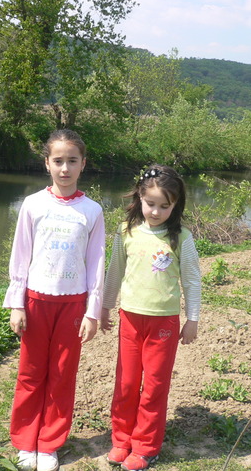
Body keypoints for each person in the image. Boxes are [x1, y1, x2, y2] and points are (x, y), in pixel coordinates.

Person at [3, 129, 106, 471]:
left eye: (72, 161)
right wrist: (17, 304)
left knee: (62, 375)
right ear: (47, 163)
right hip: (35, 302)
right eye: (58, 161)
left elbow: (96, 263)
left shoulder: (92, 211)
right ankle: (25, 441)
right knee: (31, 373)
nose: (65, 168)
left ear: (83, 165)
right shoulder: (33, 204)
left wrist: (92, 312)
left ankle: (49, 443)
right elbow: (20, 257)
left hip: (73, 306)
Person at [101, 164, 201, 471]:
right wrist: (105, 306)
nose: (156, 211)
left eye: (164, 206)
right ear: (139, 199)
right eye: (150, 204)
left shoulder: (181, 237)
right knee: (127, 382)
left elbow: (192, 279)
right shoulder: (126, 231)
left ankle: (146, 446)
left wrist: (192, 318)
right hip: (130, 318)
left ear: (175, 205)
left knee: (155, 386)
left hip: (164, 324)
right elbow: (114, 271)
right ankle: (122, 439)